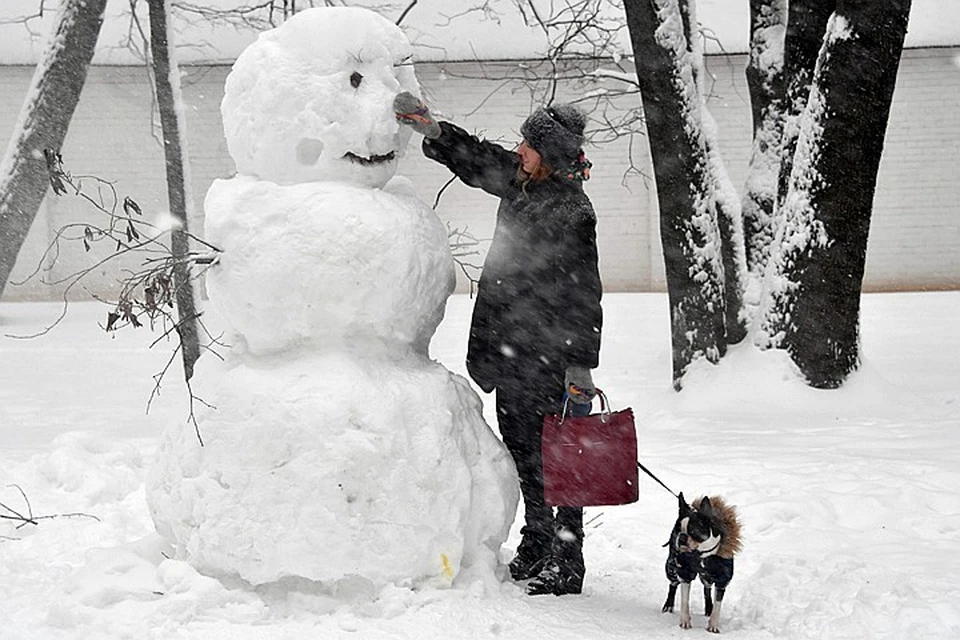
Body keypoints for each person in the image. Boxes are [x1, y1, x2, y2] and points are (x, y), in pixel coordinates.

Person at [394, 93, 604, 596]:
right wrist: (435, 131)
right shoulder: (522, 182)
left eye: (528, 145)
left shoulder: (574, 211)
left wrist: (580, 366)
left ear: (548, 156)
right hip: (512, 348)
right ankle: (538, 539)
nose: (519, 149)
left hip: (551, 353)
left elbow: (584, 292)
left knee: (557, 456)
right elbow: (480, 159)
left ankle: (567, 558)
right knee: (523, 453)